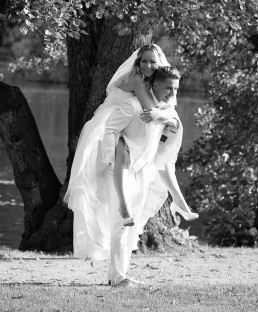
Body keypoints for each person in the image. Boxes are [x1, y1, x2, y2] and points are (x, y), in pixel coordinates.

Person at [64, 44, 198, 287]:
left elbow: (163, 115)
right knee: (121, 222)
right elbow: (109, 128)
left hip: (141, 167)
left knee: (132, 224)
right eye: (144, 61)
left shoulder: (160, 103)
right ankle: (117, 278)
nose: (147, 66)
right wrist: (112, 154)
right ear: (139, 63)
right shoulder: (133, 99)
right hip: (120, 163)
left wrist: (165, 118)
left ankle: (122, 273)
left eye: (152, 63)